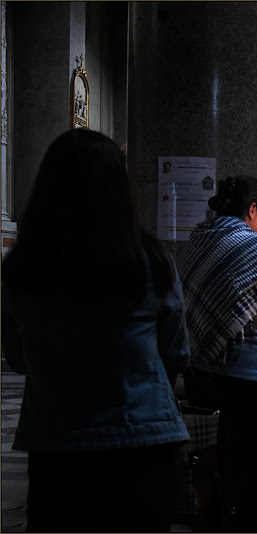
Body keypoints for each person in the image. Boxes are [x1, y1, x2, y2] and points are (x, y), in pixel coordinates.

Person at [1, 129, 191, 532]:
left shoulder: (21, 270)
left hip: (58, 446)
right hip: (144, 440)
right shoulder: (151, 261)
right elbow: (176, 351)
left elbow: (17, 358)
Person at [180, 175, 257, 532]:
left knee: (217, 458)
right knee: (251, 466)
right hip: (252, 376)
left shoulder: (199, 240)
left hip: (204, 369)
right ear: (252, 210)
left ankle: (218, 520)